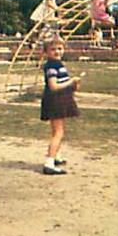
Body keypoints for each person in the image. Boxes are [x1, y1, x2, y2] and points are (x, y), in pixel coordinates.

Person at [40, 37, 79, 175]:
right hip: (55, 100)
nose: (57, 51)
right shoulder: (52, 66)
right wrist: (71, 81)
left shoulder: (58, 64)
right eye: (53, 49)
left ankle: (55, 156)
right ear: (46, 52)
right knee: (58, 132)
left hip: (59, 99)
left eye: (59, 48)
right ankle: (49, 163)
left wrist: (73, 84)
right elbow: (54, 86)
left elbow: (63, 82)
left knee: (56, 130)